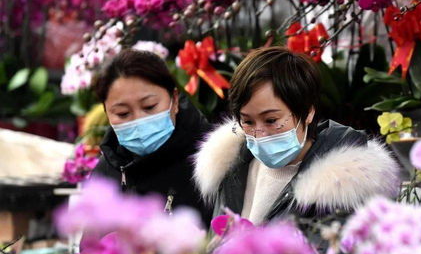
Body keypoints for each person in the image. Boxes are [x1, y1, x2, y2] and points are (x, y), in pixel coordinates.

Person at [194, 46, 400, 228]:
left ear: (308, 112)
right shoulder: (233, 168)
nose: (259, 134)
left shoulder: (340, 187)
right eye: (247, 122)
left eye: (271, 120)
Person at [91, 49, 212, 224]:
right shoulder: (108, 170)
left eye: (149, 107)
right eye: (123, 113)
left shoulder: (211, 160)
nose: (139, 120)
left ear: (175, 101)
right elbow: (91, 245)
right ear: (106, 112)